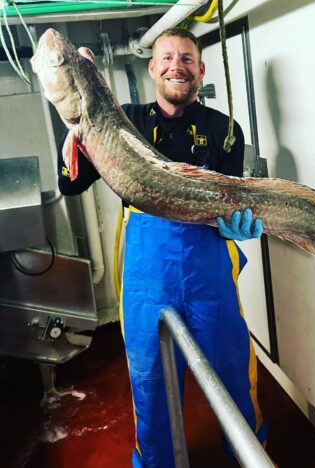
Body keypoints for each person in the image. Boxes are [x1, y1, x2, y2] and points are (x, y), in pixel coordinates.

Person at [57, 27, 267, 467]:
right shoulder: (123, 120)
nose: (178, 65)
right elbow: (71, 185)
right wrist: (75, 135)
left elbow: (233, 199)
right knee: (149, 377)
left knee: (232, 367)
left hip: (209, 260)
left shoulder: (225, 129)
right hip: (144, 269)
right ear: (152, 67)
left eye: (187, 59)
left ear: (201, 70)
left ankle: (250, 456)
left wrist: (240, 226)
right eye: (168, 57)